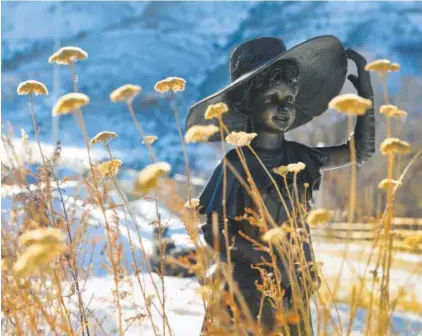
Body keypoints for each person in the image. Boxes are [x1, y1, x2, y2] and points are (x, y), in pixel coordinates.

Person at [185, 35, 375, 335]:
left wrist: (365, 97)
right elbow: (212, 226)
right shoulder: (237, 164)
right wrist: (262, 258)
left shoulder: (300, 157)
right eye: (271, 99)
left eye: (288, 99)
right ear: (249, 104)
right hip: (246, 290)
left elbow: (359, 152)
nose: (283, 107)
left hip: (292, 286)